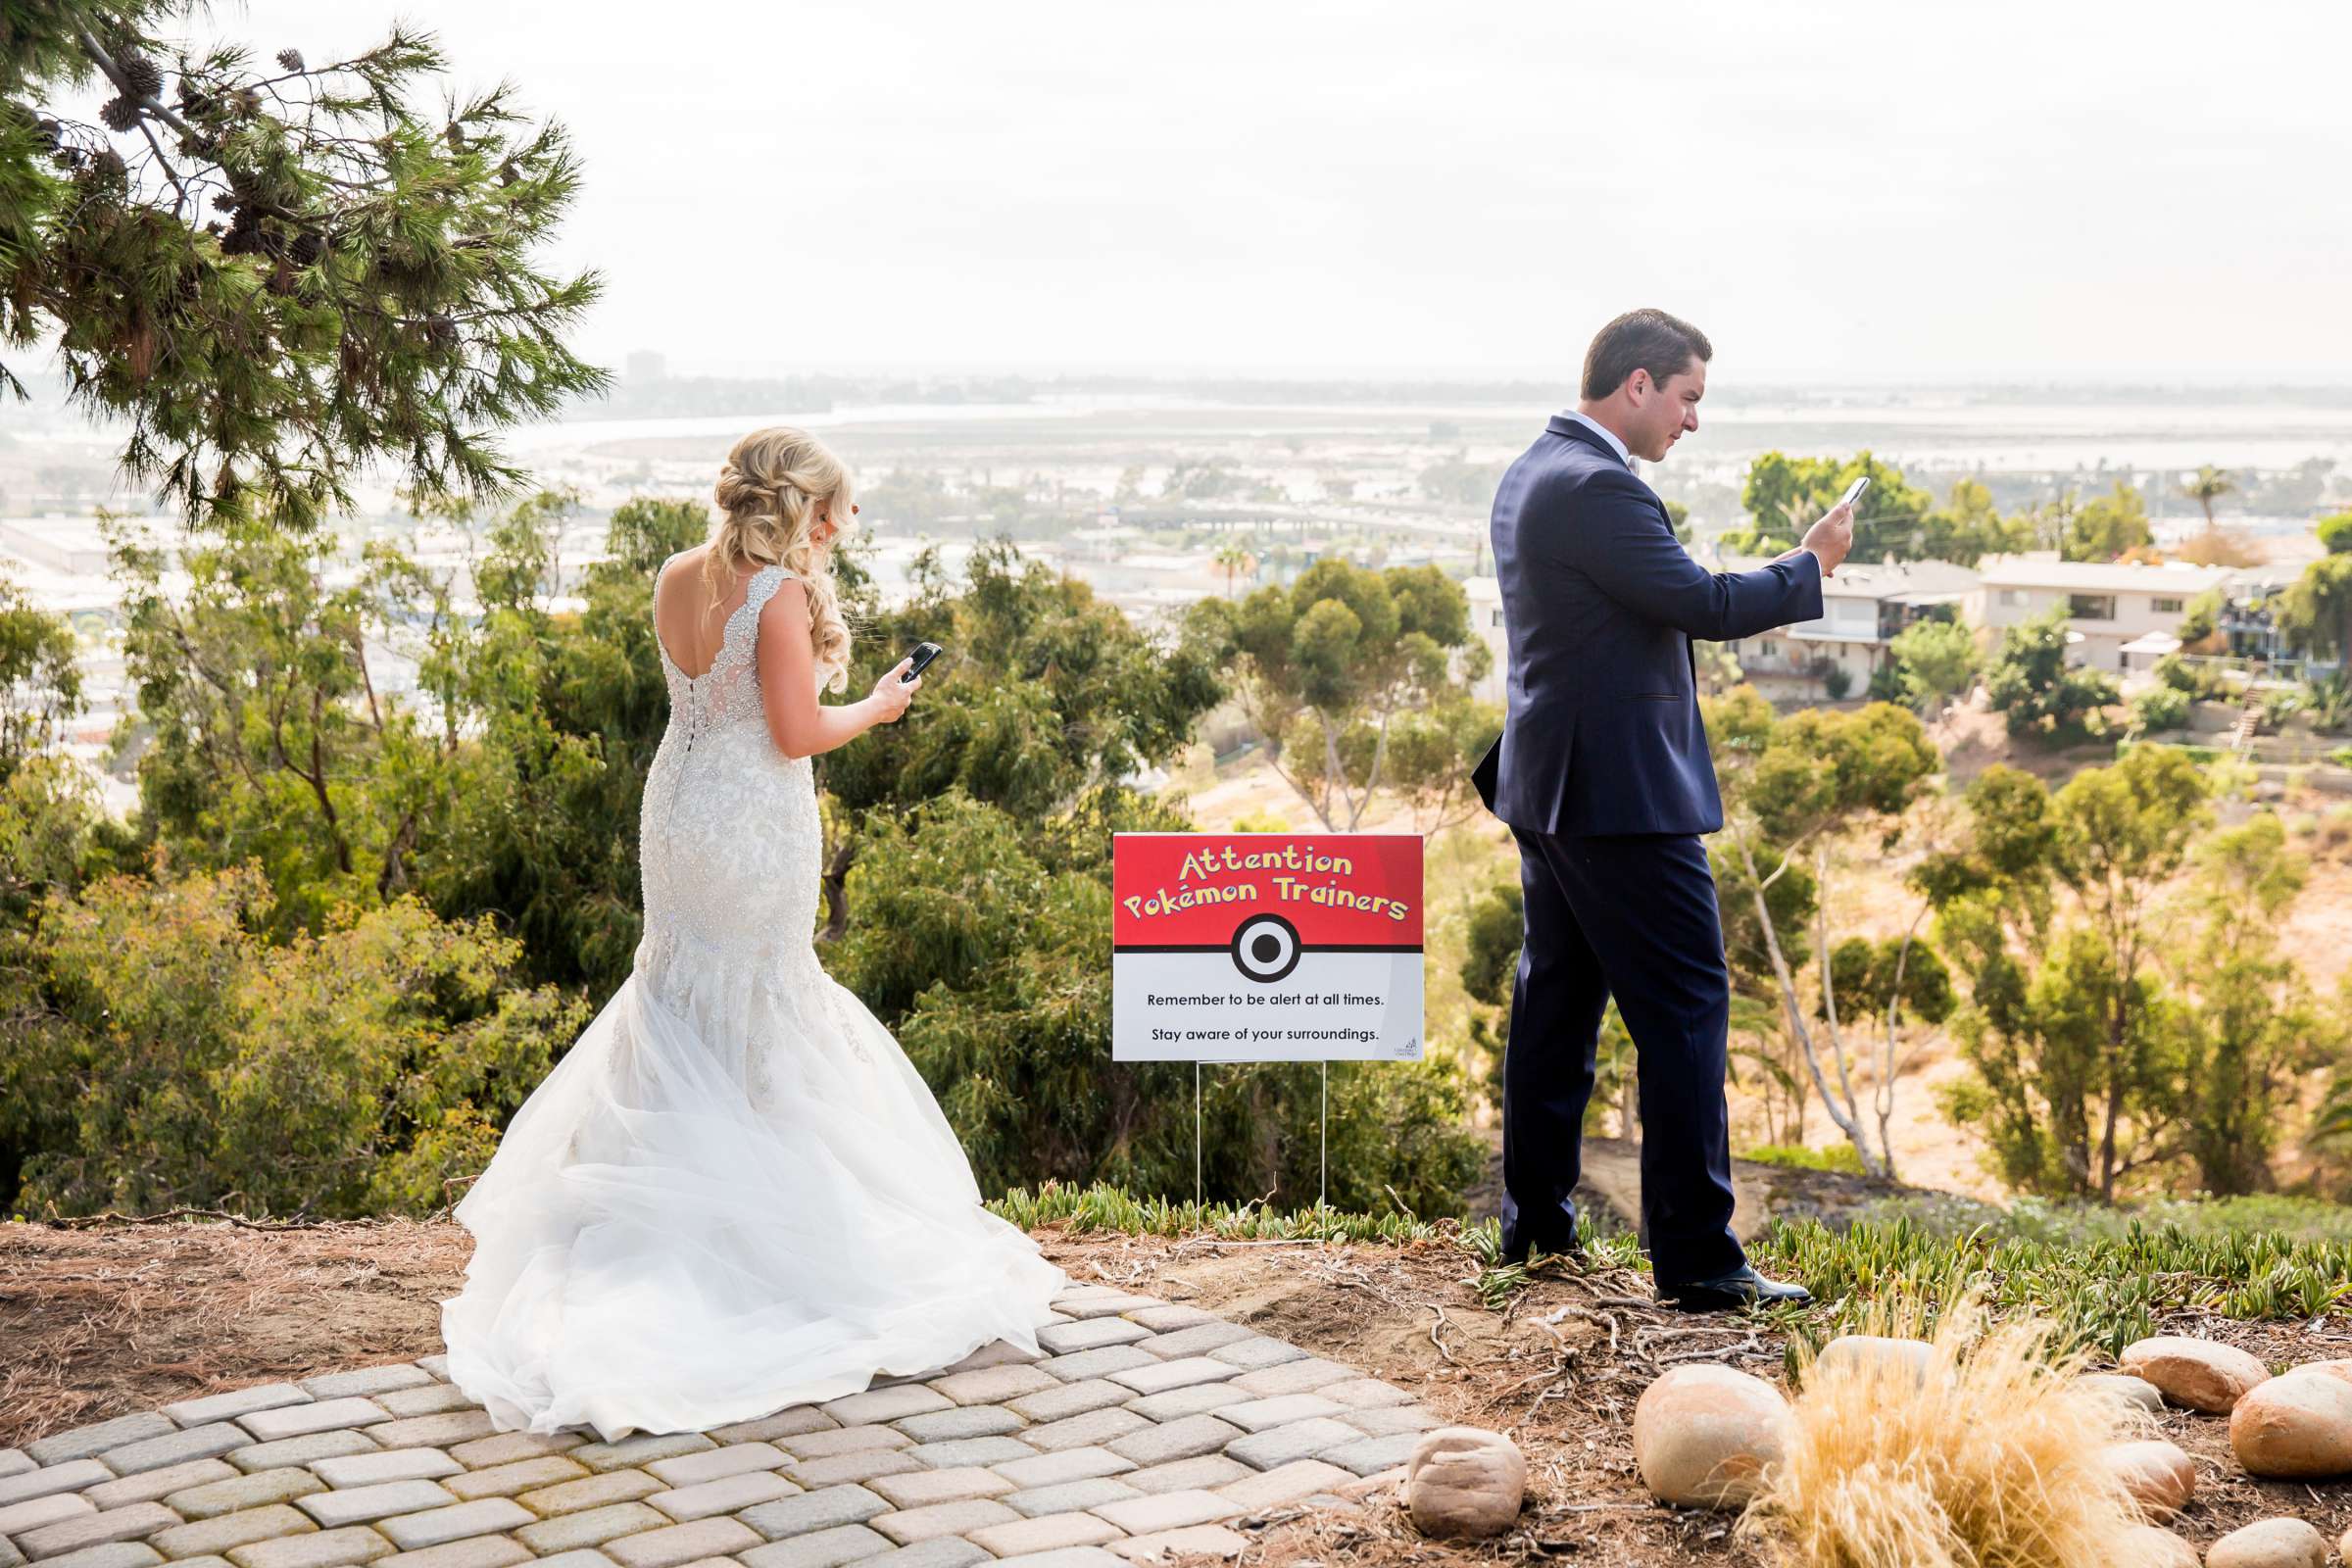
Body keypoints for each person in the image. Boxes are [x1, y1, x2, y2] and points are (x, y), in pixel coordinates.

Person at [439, 425, 1069, 1439]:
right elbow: (793, 732)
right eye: (837, 512)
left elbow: (704, 700)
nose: (840, 530)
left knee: (684, 989)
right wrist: (873, 707)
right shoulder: (776, 599)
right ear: (805, 509)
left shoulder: (677, 574)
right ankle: (765, 1250)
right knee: (766, 1001)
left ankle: (665, 1217)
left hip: (677, 812)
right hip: (752, 823)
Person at [1469, 309, 1853, 1312]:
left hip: (1551, 788)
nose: (1691, 422)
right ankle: (1698, 1259)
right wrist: (1812, 563)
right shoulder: (1598, 487)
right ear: (1636, 385)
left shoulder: (1533, 469)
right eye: (1687, 399)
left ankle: (1536, 1227)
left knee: (1556, 1006)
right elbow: (1708, 605)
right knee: (1686, 1011)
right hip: (1617, 801)